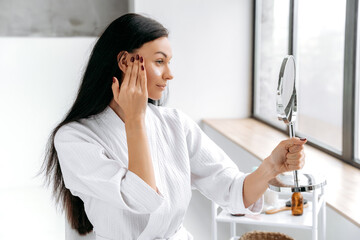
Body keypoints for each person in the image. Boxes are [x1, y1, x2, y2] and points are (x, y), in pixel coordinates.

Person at [41, 13, 306, 240]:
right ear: (125, 62)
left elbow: (233, 192)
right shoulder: (74, 138)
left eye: (169, 61)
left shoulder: (175, 123)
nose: (170, 73)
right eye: (159, 61)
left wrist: (272, 165)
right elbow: (143, 199)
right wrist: (135, 120)